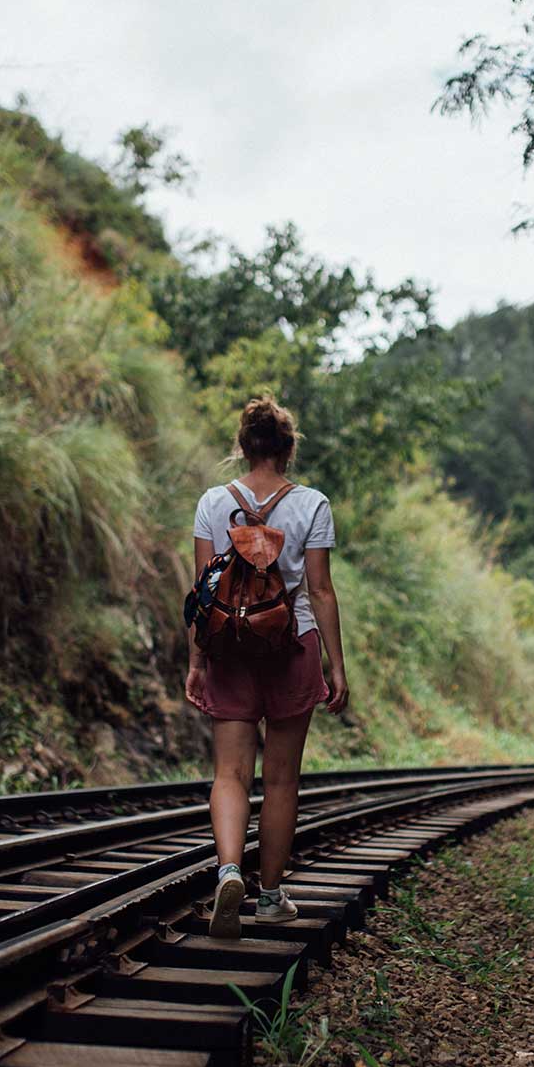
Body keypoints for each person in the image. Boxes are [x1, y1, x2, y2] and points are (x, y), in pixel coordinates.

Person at [186, 397, 349, 938]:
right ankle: (271, 896)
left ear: (244, 446)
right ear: (287, 450)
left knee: (229, 774)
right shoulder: (312, 505)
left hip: (230, 650)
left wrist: (196, 659)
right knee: (280, 781)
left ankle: (229, 869)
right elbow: (321, 591)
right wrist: (336, 664)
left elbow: (204, 591)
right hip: (292, 646)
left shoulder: (213, 501)